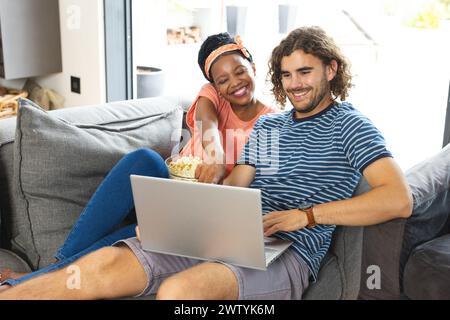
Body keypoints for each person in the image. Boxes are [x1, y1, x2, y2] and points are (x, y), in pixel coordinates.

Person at [0, 26, 413, 300]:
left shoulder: (351, 126)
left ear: (331, 68)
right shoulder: (270, 127)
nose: (296, 84)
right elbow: (235, 187)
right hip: (226, 234)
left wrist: (304, 216)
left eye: (305, 72)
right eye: (287, 75)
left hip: (288, 250)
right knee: (102, 266)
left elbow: (398, 199)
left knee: (182, 292)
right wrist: (180, 223)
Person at [0, 33, 274, 289]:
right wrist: (216, 156)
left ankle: (37, 279)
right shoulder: (210, 97)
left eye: (239, 71)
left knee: (139, 233)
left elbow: (246, 189)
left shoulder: (270, 124)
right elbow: (207, 125)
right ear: (214, 85)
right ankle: (54, 268)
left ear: (253, 66)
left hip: (200, 213)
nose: (234, 82)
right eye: (223, 79)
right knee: (144, 159)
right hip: (167, 188)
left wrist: (219, 180)